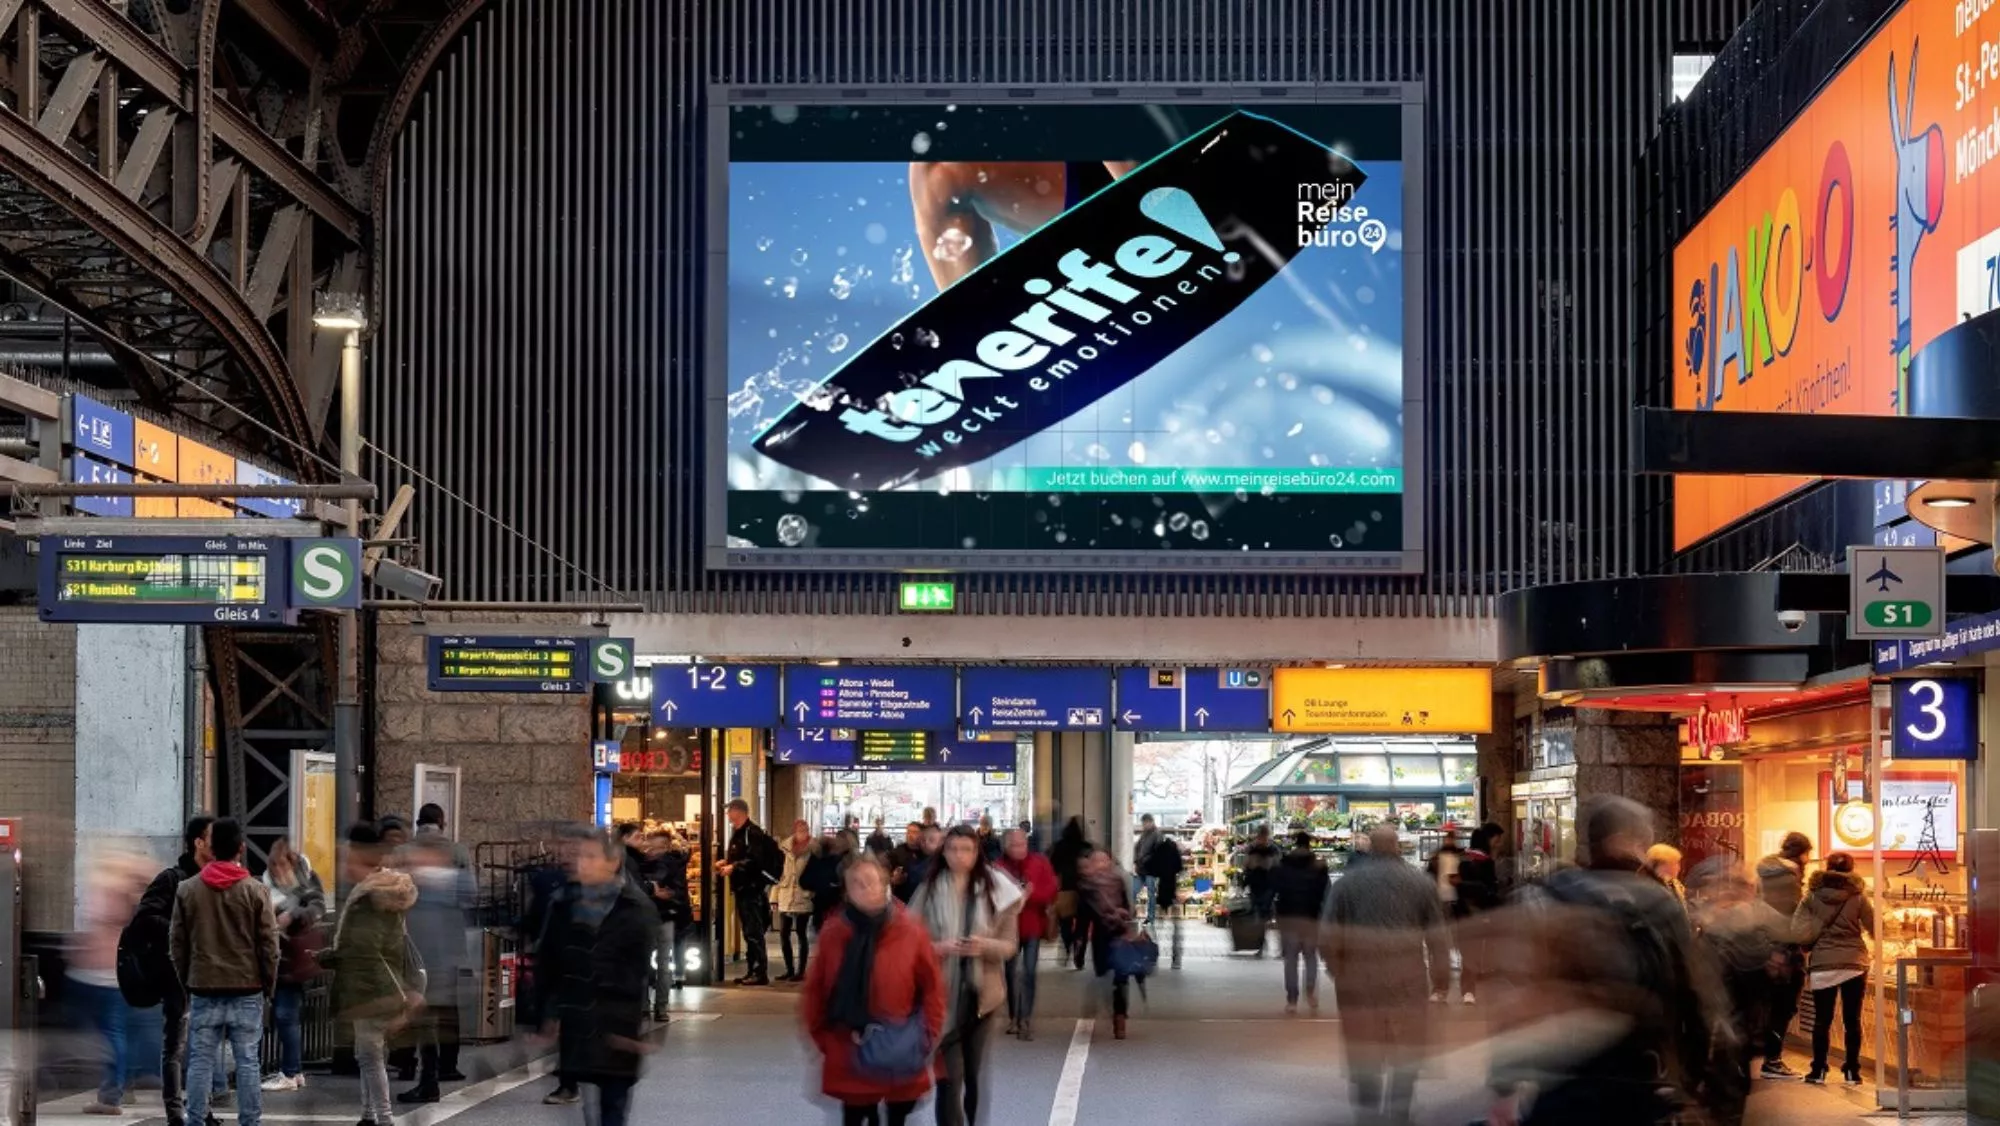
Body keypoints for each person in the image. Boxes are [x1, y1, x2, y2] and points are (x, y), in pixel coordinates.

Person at [1485, 797, 1727, 1126]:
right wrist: (1694, 1078)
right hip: (1640, 1077)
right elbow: (1693, 994)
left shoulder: (1547, 896)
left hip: (1562, 1079)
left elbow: (1516, 995)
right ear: (1624, 842)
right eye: (1643, 842)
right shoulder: (1658, 903)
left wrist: (1504, 1084)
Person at [800, 853, 946, 1126]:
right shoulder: (835, 933)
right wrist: (825, 1040)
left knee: (897, 1116)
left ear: (886, 883)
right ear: (847, 892)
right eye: (858, 884)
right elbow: (816, 992)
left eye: (872, 881)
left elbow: (932, 989)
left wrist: (927, 1035)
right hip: (849, 1048)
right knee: (854, 1115)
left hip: (900, 1049)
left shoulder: (910, 930)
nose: (867, 889)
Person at [1323, 826, 1447, 1124]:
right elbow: (1437, 936)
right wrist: (1442, 978)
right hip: (1408, 978)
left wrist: (1336, 969)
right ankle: (1400, 1107)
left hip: (1358, 980)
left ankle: (1368, 1107)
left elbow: (1329, 933)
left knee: (1364, 1044)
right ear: (1397, 846)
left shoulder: (1347, 884)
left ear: (1370, 846)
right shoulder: (1420, 883)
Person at [532, 831, 655, 1126]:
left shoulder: (634, 909)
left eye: (591, 857)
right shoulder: (563, 905)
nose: (582, 864)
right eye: (580, 857)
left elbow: (637, 970)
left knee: (612, 1105)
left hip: (617, 1023)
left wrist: (633, 1022)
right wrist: (546, 1015)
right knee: (591, 1108)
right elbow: (548, 961)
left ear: (613, 863)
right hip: (577, 1019)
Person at [910, 825, 1022, 1126]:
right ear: (943, 852)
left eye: (966, 850)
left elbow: (1011, 946)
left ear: (977, 853)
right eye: (953, 849)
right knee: (949, 1080)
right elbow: (908, 942)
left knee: (973, 1075)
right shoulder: (929, 890)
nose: (959, 856)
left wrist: (983, 946)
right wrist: (938, 947)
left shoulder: (998, 889)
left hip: (982, 998)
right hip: (940, 998)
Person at [170, 818, 279, 1126]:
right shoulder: (256, 892)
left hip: (203, 986)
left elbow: (177, 944)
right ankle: (250, 1121)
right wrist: (268, 986)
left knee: (201, 1061)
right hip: (247, 987)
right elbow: (269, 945)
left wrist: (187, 981)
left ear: (212, 848)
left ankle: (195, 1120)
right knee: (248, 1061)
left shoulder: (187, 890)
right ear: (241, 849)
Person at [326, 823, 422, 1126]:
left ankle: (383, 1118)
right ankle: (370, 1115)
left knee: (370, 1056)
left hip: (372, 988)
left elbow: (364, 949)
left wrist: (331, 958)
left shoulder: (369, 897)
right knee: (366, 1054)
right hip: (380, 982)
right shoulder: (382, 890)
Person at [1687, 858, 1788, 1126]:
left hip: (1730, 1025)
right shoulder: (1741, 920)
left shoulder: (1744, 920)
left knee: (1728, 1085)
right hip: (1729, 1026)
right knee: (1728, 1085)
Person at [126, 816, 213, 1126]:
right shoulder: (171, 879)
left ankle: (202, 1111)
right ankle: (176, 1113)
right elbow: (144, 918)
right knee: (175, 1046)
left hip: (206, 976)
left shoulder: (214, 880)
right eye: (212, 837)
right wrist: (183, 931)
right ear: (198, 842)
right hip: (176, 976)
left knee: (202, 1048)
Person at [72, 849, 150, 1115]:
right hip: (114, 974)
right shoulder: (132, 896)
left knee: (112, 1033)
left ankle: (112, 1094)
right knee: (116, 1032)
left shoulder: (115, 894)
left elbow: (103, 924)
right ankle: (116, 1088)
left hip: (105, 974)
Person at [398, 832, 474, 1103]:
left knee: (428, 1022)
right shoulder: (422, 882)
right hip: (430, 962)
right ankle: (431, 1076)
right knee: (429, 1023)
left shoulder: (445, 883)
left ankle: (431, 1080)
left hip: (436, 963)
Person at [1795, 851, 1873, 1085]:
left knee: (1822, 1019)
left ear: (1827, 868)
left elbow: (1797, 927)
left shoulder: (1811, 896)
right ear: (1851, 869)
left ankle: (1818, 1070)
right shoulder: (1859, 897)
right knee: (1852, 1020)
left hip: (1823, 962)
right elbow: (1875, 926)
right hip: (1854, 963)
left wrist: (1810, 941)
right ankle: (1852, 1071)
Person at [259, 837, 325, 1093]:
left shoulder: (306, 876)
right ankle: (293, 1070)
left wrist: (292, 914)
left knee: (286, 1015)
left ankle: (290, 1071)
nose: (278, 871)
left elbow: (317, 907)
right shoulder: (264, 881)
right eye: (274, 866)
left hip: (295, 956)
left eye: (281, 865)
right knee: (286, 1016)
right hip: (280, 957)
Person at [1755, 831, 1812, 1079]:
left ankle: (1768, 1058)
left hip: (1764, 947)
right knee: (1783, 1007)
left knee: (1769, 1006)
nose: (1809, 860)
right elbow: (1795, 918)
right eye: (1808, 854)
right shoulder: (1789, 879)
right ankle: (1773, 1061)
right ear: (1801, 854)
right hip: (1785, 951)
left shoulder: (1766, 872)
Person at [993, 828, 1057, 1041]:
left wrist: (1030, 894)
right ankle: (1014, 1016)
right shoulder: (999, 868)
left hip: (1032, 926)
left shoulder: (1039, 862)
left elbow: (1051, 890)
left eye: (1022, 844)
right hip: (1008, 928)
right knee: (1010, 972)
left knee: (1029, 971)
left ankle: (1026, 1018)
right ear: (1006, 846)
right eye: (1014, 845)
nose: (1020, 848)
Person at [717, 799, 780, 986]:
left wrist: (733, 867)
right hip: (744, 888)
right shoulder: (739, 832)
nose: (727, 814)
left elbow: (754, 860)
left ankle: (760, 972)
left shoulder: (751, 833)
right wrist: (726, 862)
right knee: (749, 931)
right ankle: (752, 970)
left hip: (751, 889)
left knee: (753, 931)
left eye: (729, 811)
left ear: (739, 812)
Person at [1076, 850, 1138, 1040]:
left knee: (1120, 978)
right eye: (1097, 861)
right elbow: (1083, 918)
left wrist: (1125, 919)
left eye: (1104, 861)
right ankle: (1110, 1010)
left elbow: (1128, 908)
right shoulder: (1086, 888)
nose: (1101, 865)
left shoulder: (1116, 882)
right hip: (1102, 937)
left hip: (1117, 935)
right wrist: (1079, 941)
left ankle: (1119, 1019)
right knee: (1105, 975)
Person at [1272, 830, 1330, 1015]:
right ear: (1309, 845)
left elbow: (1276, 889)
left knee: (1290, 959)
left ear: (1295, 844)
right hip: (1311, 918)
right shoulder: (1319, 868)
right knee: (1311, 957)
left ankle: (1292, 999)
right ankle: (1310, 992)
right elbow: (1326, 894)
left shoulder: (1284, 865)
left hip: (1289, 917)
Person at [640, 830, 692, 1015]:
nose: (653, 849)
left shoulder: (648, 864)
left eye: (656, 846)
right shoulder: (677, 862)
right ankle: (660, 1006)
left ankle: (651, 1005)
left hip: (657, 916)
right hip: (666, 916)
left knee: (652, 961)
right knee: (661, 962)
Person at [774, 819, 816, 983]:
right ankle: (789, 969)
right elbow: (779, 874)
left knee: (801, 933)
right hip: (785, 894)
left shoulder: (814, 849)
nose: (802, 831)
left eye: (805, 829)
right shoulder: (784, 848)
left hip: (803, 895)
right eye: (799, 828)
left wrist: (812, 893)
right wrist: (774, 897)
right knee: (784, 934)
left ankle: (801, 971)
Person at [1047, 818, 1089, 970]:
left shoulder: (1059, 846)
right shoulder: (1086, 847)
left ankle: (1068, 945)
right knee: (1082, 925)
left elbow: (1051, 866)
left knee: (1065, 923)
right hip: (1085, 891)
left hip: (1065, 890)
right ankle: (1079, 955)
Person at [1143, 828, 1185, 968]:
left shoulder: (1159, 850)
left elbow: (1151, 868)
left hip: (1161, 892)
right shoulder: (1173, 850)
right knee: (1176, 927)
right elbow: (1180, 867)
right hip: (1173, 891)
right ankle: (1176, 958)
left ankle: (1154, 954)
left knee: (1157, 927)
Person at [801, 829, 853, 938]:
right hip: (829, 910)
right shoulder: (826, 859)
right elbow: (804, 881)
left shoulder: (848, 860)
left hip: (835, 911)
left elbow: (804, 881)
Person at [1241, 827, 1283, 946]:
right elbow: (1246, 865)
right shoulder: (1254, 848)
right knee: (1260, 913)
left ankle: (1263, 941)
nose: (1263, 839)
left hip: (1267, 885)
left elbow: (1276, 865)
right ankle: (1261, 941)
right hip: (1258, 885)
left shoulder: (1271, 849)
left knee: (1263, 912)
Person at [1131, 815, 1163, 924]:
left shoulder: (1157, 835)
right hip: (1141, 869)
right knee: (1133, 890)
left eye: (1145, 823)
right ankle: (1132, 914)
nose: (1144, 826)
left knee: (1151, 893)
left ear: (1151, 822)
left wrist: (1145, 859)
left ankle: (1150, 917)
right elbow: (1136, 847)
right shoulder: (1144, 834)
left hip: (1151, 870)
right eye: (1143, 823)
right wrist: (1136, 861)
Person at [888, 822, 926, 903]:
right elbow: (887, 874)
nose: (910, 835)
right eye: (908, 832)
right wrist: (893, 879)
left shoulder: (926, 853)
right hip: (901, 899)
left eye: (915, 832)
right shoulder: (897, 852)